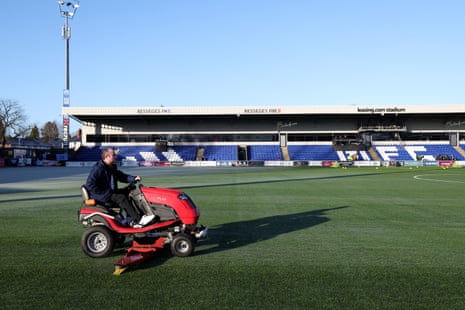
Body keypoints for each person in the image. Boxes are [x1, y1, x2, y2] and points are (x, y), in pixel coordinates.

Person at [85, 148, 155, 227]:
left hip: (109, 192)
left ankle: (135, 216)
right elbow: (90, 185)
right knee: (121, 197)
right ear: (107, 156)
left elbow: (121, 176)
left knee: (129, 190)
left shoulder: (111, 167)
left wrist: (133, 178)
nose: (116, 156)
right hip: (102, 196)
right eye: (113, 155)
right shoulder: (98, 168)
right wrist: (106, 192)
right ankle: (137, 220)